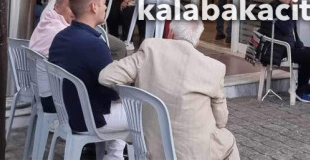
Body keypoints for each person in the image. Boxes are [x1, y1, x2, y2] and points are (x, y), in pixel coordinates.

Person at [99, 20, 240, 160]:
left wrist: (133, 89)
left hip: (149, 150)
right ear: (197, 40)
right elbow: (221, 121)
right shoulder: (214, 68)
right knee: (228, 140)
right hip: (193, 154)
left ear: (170, 33)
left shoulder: (151, 50)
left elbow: (106, 76)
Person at [48, 0, 128, 159]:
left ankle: (114, 155)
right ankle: (115, 156)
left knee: (128, 105)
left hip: (68, 113)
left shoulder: (61, 37)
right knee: (146, 112)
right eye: (104, 3)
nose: (106, 7)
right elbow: (114, 92)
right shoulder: (93, 44)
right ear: (94, 6)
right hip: (91, 118)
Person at [258, 0, 310, 103]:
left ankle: (305, 85)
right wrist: (292, 11)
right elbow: (287, 28)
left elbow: (293, 30)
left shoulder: (285, 8)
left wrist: (299, 42)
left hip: (288, 46)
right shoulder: (272, 8)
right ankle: (300, 90)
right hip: (278, 49)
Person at [29, 0, 75, 113]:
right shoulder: (62, 32)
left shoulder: (46, 22)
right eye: (70, 6)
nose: (75, 10)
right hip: (53, 101)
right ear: (56, 7)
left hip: (39, 94)